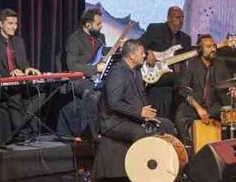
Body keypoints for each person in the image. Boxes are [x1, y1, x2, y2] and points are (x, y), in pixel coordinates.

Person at [0, 8, 41, 146]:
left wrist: (28, 69)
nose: (14, 27)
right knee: (15, 95)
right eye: (10, 23)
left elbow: (24, 64)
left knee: (40, 92)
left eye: (16, 24)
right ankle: (21, 132)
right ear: (0, 24)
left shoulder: (19, 42)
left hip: (19, 84)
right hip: (3, 87)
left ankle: (22, 127)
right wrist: (9, 73)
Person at [98, 39, 176, 144]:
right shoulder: (117, 73)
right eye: (142, 53)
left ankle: (167, 154)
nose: (144, 55)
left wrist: (147, 116)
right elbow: (114, 103)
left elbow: (141, 95)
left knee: (167, 125)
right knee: (142, 133)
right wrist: (139, 112)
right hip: (115, 122)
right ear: (132, 56)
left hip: (133, 117)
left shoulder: (136, 71)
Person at [59, 8, 120, 139]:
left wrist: (118, 48)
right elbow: (72, 65)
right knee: (92, 93)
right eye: (98, 24)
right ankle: (90, 133)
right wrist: (95, 68)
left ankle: (111, 127)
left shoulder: (100, 37)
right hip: (80, 79)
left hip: (97, 78)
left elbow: (103, 55)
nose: (101, 26)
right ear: (88, 25)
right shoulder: (74, 39)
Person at [174, 34, 236, 145]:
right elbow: (183, 89)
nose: (213, 49)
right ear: (200, 49)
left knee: (233, 117)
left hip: (214, 106)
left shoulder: (220, 63)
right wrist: (199, 109)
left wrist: (233, 90)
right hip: (195, 105)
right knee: (180, 116)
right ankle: (190, 148)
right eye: (208, 46)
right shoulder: (190, 64)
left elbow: (229, 82)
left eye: (214, 46)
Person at [138, 5, 192, 119]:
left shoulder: (186, 39)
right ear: (168, 18)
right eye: (177, 17)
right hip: (157, 77)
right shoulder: (155, 29)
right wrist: (147, 52)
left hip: (176, 80)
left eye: (182, 17)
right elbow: (138, 44)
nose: (181, 21)